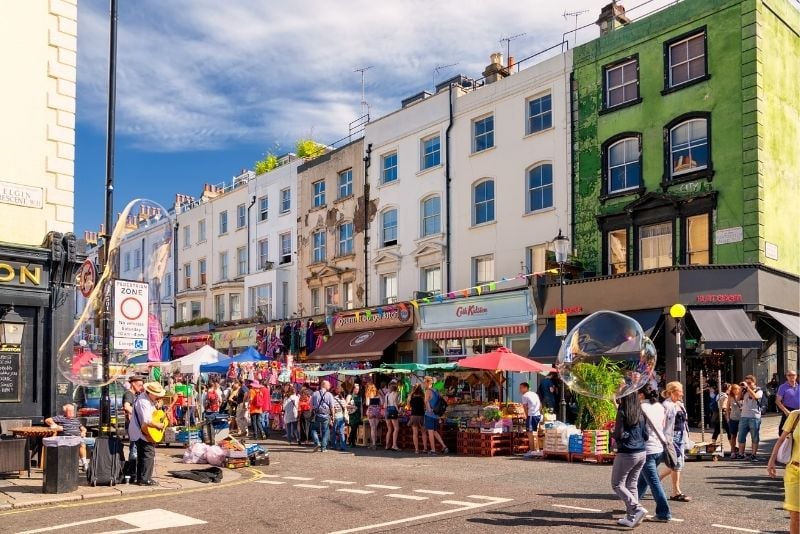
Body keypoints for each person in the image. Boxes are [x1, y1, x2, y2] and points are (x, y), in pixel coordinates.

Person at [611, 391, 649, 528]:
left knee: (617, 484)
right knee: (631, 484)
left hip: (627, 453)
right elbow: (646, 435)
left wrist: (613, 432)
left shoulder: (622, 411)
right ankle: (632, 517)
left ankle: (636, 509)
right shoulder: (640, 412)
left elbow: (619, 434)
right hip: (642, 452)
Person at [636, 385, 672, 523]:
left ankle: (664, 513)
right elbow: (663, 425)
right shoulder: (659, 407)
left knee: (654, 482)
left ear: (641, 395)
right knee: (643, 479)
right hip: (659, 447)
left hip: (647, 449)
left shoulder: (641, 408)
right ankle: (632, 505)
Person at [768, 408, 800, 534]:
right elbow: (781, 439)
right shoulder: (795, 415)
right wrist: (772, 460)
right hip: (794, 470)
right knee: (795, 516)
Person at [129, 382, 167, 486]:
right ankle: (145, 479)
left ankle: (141, 478)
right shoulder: (144, 401)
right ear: (150, 393)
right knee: (148, 453)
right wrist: (158, 425)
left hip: (141, 431)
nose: (159, 396)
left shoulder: (147, 399)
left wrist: (157, 406)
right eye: (157, 394)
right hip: (141, 431)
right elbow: (147, 420)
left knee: (143, 454)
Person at [660, 381, 691, 502]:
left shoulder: (679, 404)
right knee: (676, 464)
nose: (682, 394)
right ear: (672, 392)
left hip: (681, 437)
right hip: (671, 438)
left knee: (678, 464)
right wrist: (665, 439)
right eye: (680, 391)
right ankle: (676, 492)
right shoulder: (666, 405)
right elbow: (662, 423)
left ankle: (655, 479)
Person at [45, 404, 90, 470]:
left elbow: (83, 429)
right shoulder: (61, 417)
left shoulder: (76, 420)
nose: (72, 412)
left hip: (78, 437)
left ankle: (85, 463)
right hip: (67, 438)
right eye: (70, 411)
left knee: (94, 442)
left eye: (72, 411)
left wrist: (83, 432)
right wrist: (56, 426)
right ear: (65, 412)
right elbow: (47, 420)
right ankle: (83, 463)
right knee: (81, 443)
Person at [737, 375, 764, 461]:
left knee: (754, 437)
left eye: (749, 383)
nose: (747, 384)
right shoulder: (744, 391)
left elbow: (755, 397)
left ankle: (753, 455)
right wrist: (741, 389)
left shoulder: (759, 390)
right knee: (741, 436)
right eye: (746, 382)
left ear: (754, 382)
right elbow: (738, 398)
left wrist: (748, 388)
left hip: (754, 417)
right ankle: (741, 454)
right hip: (744, 416)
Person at [423, 376, 449, 454]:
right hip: (436, 415)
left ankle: (433, 449)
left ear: (428, 382)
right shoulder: (436, 390)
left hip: (430, 414)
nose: (423, 384)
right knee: (435, 432)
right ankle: (444, 446)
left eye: (424, 382)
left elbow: (426, 401)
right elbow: (444, 398)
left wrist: (429, 410)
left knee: (430, 432)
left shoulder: (428, 391)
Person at [122, 375, 144, 463]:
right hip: (132, 425)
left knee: (137, 447)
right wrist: (138, 414)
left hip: (135, 424)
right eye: (139, 385)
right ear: (133, 384)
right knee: (134, 447)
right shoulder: (128, 394)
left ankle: (134, 470)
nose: (141, 387)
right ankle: (131, 471)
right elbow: (126, 406)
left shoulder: (136, 395)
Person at [310, 380, 336, 452]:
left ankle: (317, 442)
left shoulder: (314, 394)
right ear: (324, 385)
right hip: (325, 415)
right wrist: (333, 416)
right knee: (325, 431)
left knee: (313, 429)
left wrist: (311, 414)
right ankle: (323, 448)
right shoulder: (329, 395)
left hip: (316, 414)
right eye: (328, 385)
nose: (329, 386)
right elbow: (332, 407)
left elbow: (311, 406)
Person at [519, 382, 542, 458]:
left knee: (530, 433)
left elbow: (525, 407)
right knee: (535, 433)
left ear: (526, 388)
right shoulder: (534, 394)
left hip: (532, 415)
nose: (520, 389)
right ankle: (537, 450)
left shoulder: (524, 396)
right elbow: (540, 404)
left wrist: (527, 416)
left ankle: (532, 451)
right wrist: (537, 411)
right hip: (537, 414)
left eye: (521, 388)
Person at [777, 370, 799, 437]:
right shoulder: (783, 387)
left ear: (796, 376)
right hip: (788, 410)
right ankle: (783, 446)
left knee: (797, 431)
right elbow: (778, 401)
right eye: (789, 375)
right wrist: (785, 411)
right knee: (783, 431)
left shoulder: (799, 386)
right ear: (786, 377)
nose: (791, 377)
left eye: (793, 375)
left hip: (799, 411)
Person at [408, 384, 428, 454]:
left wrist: (410, 395)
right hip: (422, 415)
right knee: (423, 432)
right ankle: (425, 448)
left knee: (415, 433)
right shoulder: (423, 396)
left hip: (414, 416)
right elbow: (425, 406)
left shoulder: (411, 396)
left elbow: (408, 406)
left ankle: (416, 449)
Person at [712, 383, 730, 449]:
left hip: (718, 414)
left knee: (716, 430)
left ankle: (713, 445)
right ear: (727, 389)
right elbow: (723, 406)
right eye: (730, 388)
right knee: (729, 430)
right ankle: (732, 447)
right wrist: (729, 408)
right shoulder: (725, 396)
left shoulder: (718, 395)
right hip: (723, 414)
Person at [384, 382, 400, 451]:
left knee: (389, 429)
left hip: (387, 410)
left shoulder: (387, 395)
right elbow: (395, 403)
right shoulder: (395, 393)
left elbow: (385, 404)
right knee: (396, 428)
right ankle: (394, 445)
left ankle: (387, 445)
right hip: (393, 409)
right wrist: (398, 411)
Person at [727, 384, 743, 459]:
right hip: (733, 418)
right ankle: (733, 451)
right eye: (734, 389)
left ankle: (741, 451)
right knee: (733, 436)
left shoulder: (742, 396)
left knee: (741, 436)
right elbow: (727, 408)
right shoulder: (730, 397)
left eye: (737, 389)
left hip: (742, 419)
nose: (736, 390)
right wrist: (727, 417)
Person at [365, 383, 382, 449]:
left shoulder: (368, 395)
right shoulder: (378, 395)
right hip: (377, 411)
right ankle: (374, 442)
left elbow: (367, 403)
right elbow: (381, 403)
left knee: (372, 428)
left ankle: (374, 443)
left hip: (371, 411)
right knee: (375, 427)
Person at [332, 386, 349, 452]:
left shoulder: (333, 399)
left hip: (336, 416)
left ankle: (334, 445)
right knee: (341, 432)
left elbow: (332, 408)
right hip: (342, 416)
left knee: (333, 431)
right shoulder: (342, 399)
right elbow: (345, 406)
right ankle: (343, 446)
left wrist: (332, 417)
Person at [347, 383, 363, 448]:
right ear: (353, 389)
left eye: (358, 389)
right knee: (353, 428)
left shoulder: (359, 397)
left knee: (355, 428)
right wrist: (353, 407)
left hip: (358, 414)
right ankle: (351, 441)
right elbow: (346, 405)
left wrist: (361, 415)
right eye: (356, 389)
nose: (357, 390)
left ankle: (352, 442)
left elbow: (361, 406)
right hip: (352, 414)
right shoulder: (350, 396)